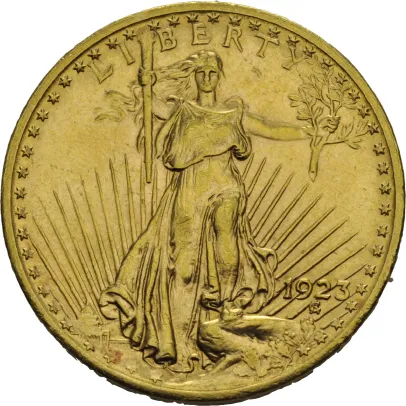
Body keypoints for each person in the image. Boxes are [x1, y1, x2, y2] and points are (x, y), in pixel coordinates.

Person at [99, 50, 338, 371]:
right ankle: (180, 344)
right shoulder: (183, 110)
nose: (207, 78)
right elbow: (154, 106)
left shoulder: (232, 113)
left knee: (227, 239)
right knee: (183, 267)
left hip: (226, 186)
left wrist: (311, 132)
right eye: (202, 72)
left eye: (212, 72)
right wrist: (145, 84)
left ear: (219, 75)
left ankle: (227, 303)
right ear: (195, 77)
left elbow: (269, 128)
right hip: (190, 191)